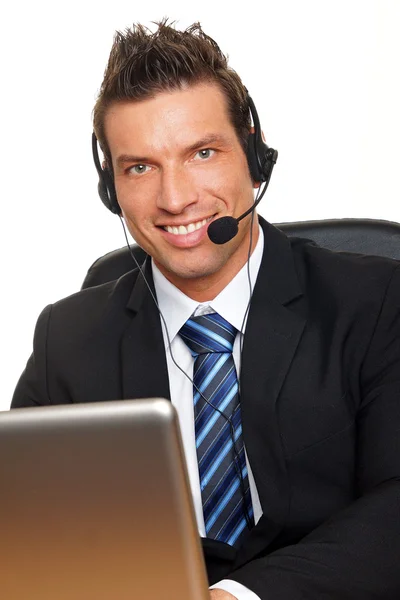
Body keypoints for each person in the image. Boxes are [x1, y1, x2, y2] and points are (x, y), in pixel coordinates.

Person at [11, 20, 400, 600]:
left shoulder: (375, 303)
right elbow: (22, 529)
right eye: (140, 167)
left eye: (202, 153)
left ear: (252, 153)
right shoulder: (66, 340)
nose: (175, 198)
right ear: (110, 187)